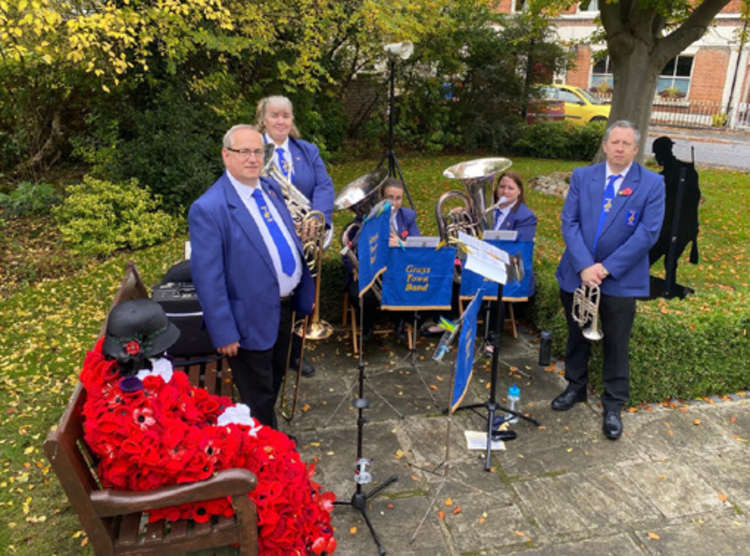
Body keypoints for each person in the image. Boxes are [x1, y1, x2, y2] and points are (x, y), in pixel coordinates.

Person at [81, 299, 336, 554]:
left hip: (177, 457)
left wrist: (223, 414)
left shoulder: (135, 383)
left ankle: (302, 528)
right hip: (166, 481)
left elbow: (181, 404)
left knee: (272, 451)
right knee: (269, 470)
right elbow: (173, 458)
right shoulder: (129, 411)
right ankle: (293, 540)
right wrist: (231, 436)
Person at [188, 124, 314, 428]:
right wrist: (223, 331)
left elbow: (277, 236)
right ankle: (269, 450)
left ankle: (269, 436)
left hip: (284, 307)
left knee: (276, 375)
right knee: (257, 391)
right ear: (225, 155)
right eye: (243, 151)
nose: (252, 158)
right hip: (247, 318)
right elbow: (208, 276)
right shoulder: (209, 208)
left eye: (258, 151)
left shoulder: (269, 189)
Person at [553, 120, 665, 440]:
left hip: (620, 279)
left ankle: (613, 405)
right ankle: (575, 387)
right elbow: (569, 222)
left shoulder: (652, 184)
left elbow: (648, 233)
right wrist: (585, 265)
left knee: (617, 342)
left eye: (625, 144)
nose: (619, 148)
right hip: (577, 272)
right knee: (576, 334)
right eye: (614, 142)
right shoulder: (582, 176)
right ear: (605, 146)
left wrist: (605, 268)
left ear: (634, 149)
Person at [256, 95, 335, 377]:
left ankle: (295, 354)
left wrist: (317, 217)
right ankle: (267, 353)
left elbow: (324, 186)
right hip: (268, 236)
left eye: (286, 116)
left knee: (301, 296)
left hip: (304, 235)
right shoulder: (253, 149)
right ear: (263, 119)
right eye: (274, 115)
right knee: (269, 296)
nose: (280, 121)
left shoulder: (307, 150)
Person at [649, 136, 701, 280]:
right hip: (673, 226)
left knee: (661, 258)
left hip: (678, 227)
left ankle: (668, 288)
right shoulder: (680, 171)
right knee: (664, 260)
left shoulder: (678, 173)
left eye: (657, 154)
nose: (656, 157)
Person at [491, 170, 537, 242]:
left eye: (511, 188)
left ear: (519, 191)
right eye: (502, 187)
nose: (505, 191)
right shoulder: (487, 208)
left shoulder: (526, 217)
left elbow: (521, 247)